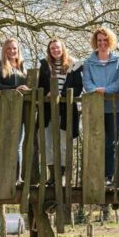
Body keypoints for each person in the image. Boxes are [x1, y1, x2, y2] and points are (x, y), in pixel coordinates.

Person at [82, 27, 119, 184]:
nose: (102, 43)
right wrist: (95, 91)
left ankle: (108, 175)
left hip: (114, 108)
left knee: (111, 142)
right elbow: (86, 82)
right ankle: (94, 174)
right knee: (96, 141)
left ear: (110, 41)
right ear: (95, 42)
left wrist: (106, 90)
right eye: (99, 40)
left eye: (105, 40)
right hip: (95, 108)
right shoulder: (88, 63)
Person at [39, 39, 82, 183]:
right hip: (48, 110)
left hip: (66, 110)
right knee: (48, 143)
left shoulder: (73, 65)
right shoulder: (45, 65)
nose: (55, 50)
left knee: (63, 144)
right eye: (52, 48)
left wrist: (61, 95)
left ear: (62, 48)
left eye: (57, 48)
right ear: (49, 50)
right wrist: (47, 93)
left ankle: (61, 176)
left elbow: (78, 88)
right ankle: (52, 176)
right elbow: (40, 86)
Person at [0, 37, 32, 178]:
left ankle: (16, 177)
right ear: (4, 50)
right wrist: (16, 88)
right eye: (9, 48)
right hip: (0, 109)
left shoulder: (23, 68)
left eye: (14, 48)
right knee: (3, 141)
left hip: (18, 109)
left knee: (16, 143)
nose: (12, 51)